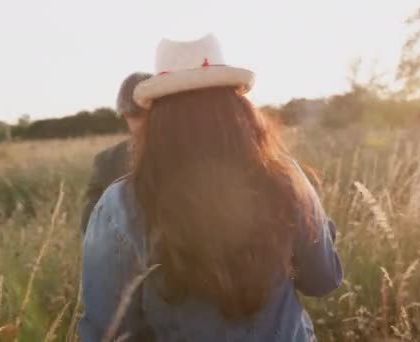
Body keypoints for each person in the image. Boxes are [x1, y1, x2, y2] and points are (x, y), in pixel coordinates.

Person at [79, 34, 342, 341]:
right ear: (239, 109)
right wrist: (312, 231)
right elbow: (321, 281)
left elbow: (108, 332)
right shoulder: (285, 178)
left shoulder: (119, 205)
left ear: (158, 119)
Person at [79, 72, 152, 233]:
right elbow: (91, 227)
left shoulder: (189, 152)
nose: (147, 122)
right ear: (123, 115)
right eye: (137, 115)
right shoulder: (107, 162)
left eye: (153, 113)